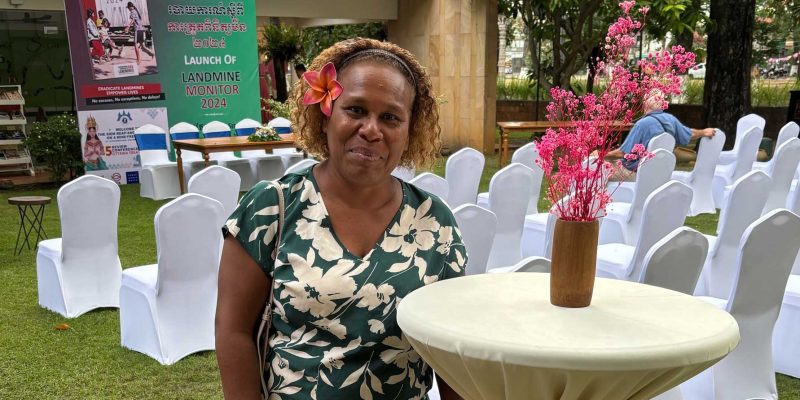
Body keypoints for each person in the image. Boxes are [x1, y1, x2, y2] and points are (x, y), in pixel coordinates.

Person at [216, 38, 466, 400]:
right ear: (326, 113)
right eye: (356, 110)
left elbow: (450, 345)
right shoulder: (272, 207)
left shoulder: (435, 223)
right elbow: (233, 330)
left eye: (391, 117)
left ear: (410, 130)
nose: (371, 130)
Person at [606, 89, 716, 181]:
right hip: (661, 173)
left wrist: (599, 155)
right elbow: (690, 134)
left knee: (596, 168)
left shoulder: (641, 125)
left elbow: (621, 153)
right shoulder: (671, 120)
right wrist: (704, 132)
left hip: (636, 174)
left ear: (644, 103)